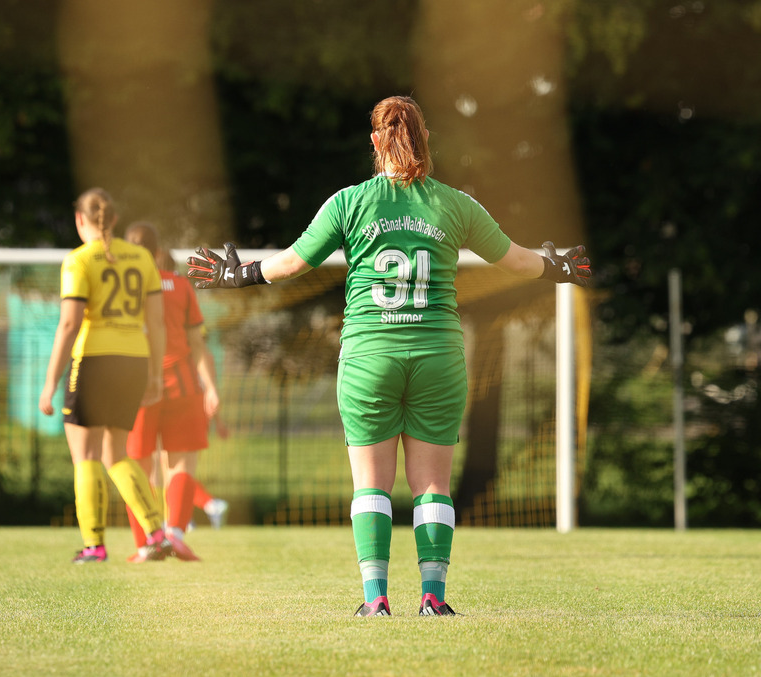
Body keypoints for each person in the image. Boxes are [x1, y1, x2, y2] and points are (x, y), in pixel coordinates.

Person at [187, 95, 591, 617]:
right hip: (437, 357)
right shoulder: (455, 204)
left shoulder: (350, 202)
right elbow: (514, 261)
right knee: (433, 486)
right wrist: (557, 266)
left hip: (368, 356)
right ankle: (433, 598)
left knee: (371, 484)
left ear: (376, 141)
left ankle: (375, 599)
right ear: (426, 141)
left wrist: (236, 274)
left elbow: (292, 263)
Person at [39, 188, 171, 564]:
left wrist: (49, 383)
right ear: (113, 220)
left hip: (93, 361)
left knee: (86, 456)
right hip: (134, 361)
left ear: (80, 220)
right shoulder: (142, 257)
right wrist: (155, 374)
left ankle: (94, 545)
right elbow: (156, 322)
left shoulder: (79, 260)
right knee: (117, 454)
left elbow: (69, 324)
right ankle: (156, 532)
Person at [122, 222, 221, 562]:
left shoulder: (123, 287)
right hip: (183, 387)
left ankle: (146, 543)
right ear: (157, 250)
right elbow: (198, 344)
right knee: (181, 464)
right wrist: (211, 387)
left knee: (136, 469)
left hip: (137, 389)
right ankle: (175, 535)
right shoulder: (180, 285)